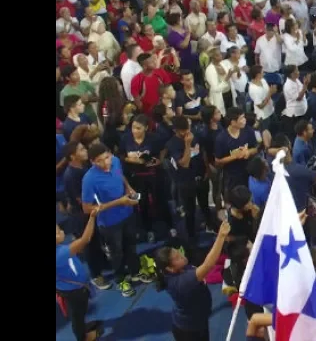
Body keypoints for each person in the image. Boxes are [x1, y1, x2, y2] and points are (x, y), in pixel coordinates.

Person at [81, 143, 148, 298]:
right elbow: (87, 208)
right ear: (92, 162)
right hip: (110, 223)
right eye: (99, 161)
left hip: (128, 214)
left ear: (111, 154)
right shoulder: (89, 179)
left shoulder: (116, 161)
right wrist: (119, 202)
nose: (105, 163)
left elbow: (120, 175)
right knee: (116, 253)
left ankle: (135, 272)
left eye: (107, 158)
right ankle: (121, 279)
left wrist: (128, 188)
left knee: (131, 246)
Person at [153, 221, 231, 341]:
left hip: (199, 321)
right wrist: (221, 236)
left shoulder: (182, 268)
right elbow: (208, 265)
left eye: (178, 251)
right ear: (170, 268)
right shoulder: (181, 283)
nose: (182, 255)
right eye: (177, 257)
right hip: (189, 331)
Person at [56, 206, 104, 341]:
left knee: (78, 314)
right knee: (77, 315)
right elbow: (86, 239)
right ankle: (83, 337)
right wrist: (92, 217)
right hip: (74, 292)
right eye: (58, 232)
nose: (62, 232)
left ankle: (82, 330)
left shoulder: (61, 249)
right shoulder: (61, 253)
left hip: (69, 289)